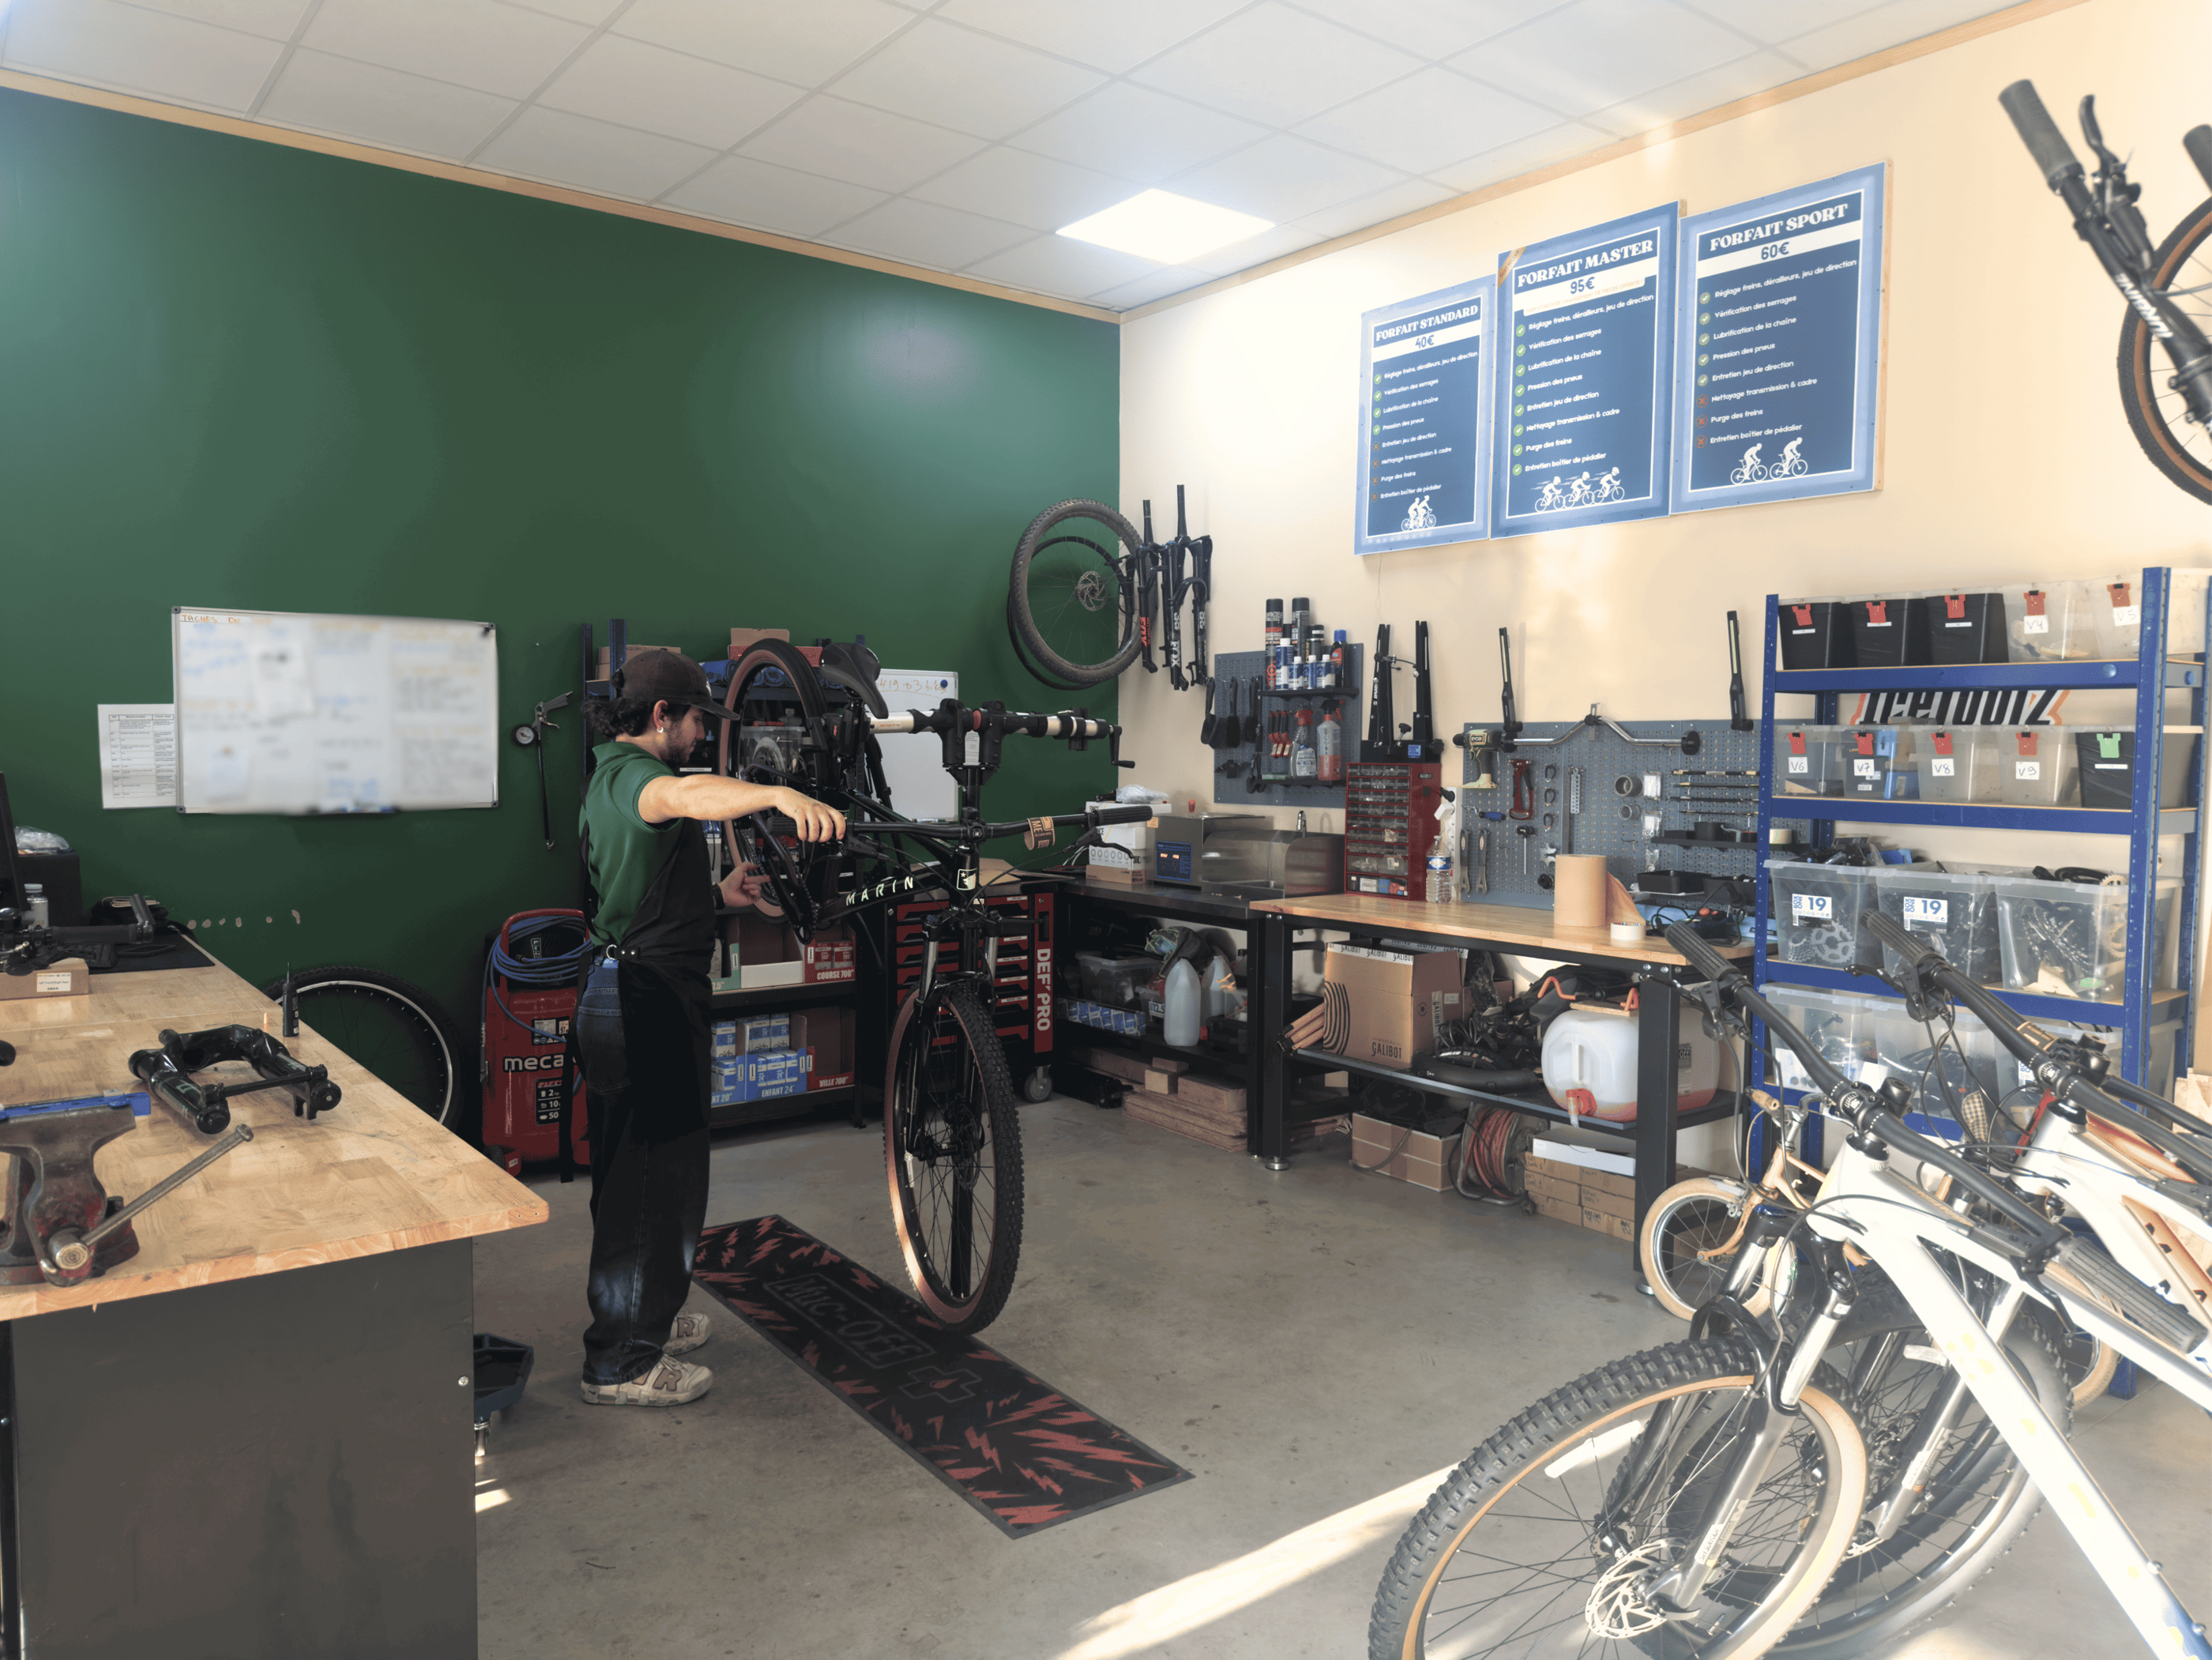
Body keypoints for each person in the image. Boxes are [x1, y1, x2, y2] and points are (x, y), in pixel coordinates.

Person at [573, 649, 845, 1406]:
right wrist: (779, 793)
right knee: (648, 1182)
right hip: (642, 999)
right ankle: (621, 1361)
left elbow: (639, 886)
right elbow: (680, 797)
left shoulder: (608, 777)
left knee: (655, 1173)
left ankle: (646, 1316)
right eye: (697, 719)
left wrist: (718, 891)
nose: (702, 734)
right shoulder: (634, 779)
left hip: (634, 988)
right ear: (662, 716)